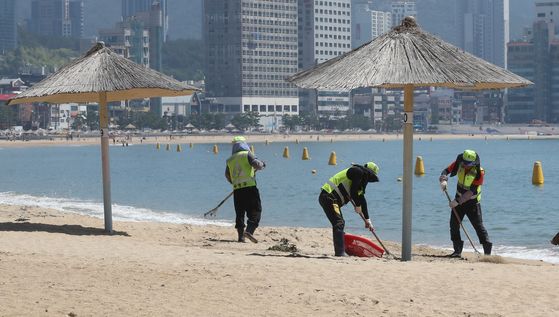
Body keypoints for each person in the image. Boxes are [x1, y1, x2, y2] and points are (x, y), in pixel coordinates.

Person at [319, 162, 379, 256]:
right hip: (329, 197)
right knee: (339, 223)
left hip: (333, 200)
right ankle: (340, 253)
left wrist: (367, 220)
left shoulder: (360, 181)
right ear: (368, 173)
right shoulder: (357, 172)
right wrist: (357, 205)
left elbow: (362, 199)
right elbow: (353, 191)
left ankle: (342, 249)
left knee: (340, 222)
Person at [439, 149, 492, 257]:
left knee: (478, 227)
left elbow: (471, 191)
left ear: (474, 163)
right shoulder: (459, 163)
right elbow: (445, 171)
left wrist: (457, 202)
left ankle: (487, 254)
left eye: (469, 164)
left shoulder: (479, 173)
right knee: (453, 225)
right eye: (465, 163)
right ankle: (457, 252)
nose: (466, 166)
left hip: (472, 203)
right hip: (458, 200)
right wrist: (443, 180)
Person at [225, 136, 266, 243]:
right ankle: (249, 231)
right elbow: (257, 165)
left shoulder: (230, 159)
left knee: (240, 213)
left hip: (237, 190)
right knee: (256, 210)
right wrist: (263, 164)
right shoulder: (247, 154)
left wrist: (234, 182)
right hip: (250, 188)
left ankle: (241, 237)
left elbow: (227, 175)